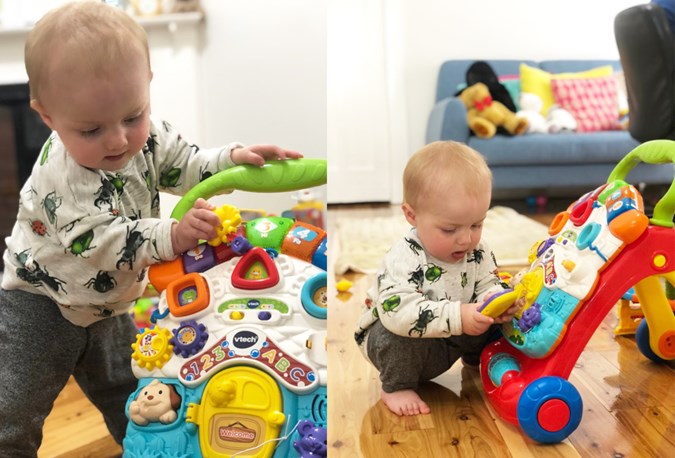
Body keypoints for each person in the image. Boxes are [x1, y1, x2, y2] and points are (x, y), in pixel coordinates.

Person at [0, 2, 301, 455]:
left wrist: (232, 159)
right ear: (47, 116)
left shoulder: (150, 135)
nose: (119, 140)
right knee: (15, 408)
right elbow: (100, 242)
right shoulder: (59, 178)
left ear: (147, 87)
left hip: (110, 304)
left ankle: (147, 448)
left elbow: (190, 164)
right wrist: (174, 235)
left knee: (136, 394)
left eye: (131, 116)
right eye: (91, 130)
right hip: (40, 304)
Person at [354, 141, 519, 417]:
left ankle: (478, 359)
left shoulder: (478, 251)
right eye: (450, 228)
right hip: (400, 342)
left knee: (493, 321)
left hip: (449, 339)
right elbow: (398, 312)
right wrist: (460, 316)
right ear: (412, 215)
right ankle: (396, 387)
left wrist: (496, 302)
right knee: (395, 335)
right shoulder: (404, 256)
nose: (466, 239)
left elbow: (488, 284)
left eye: (477, 224)